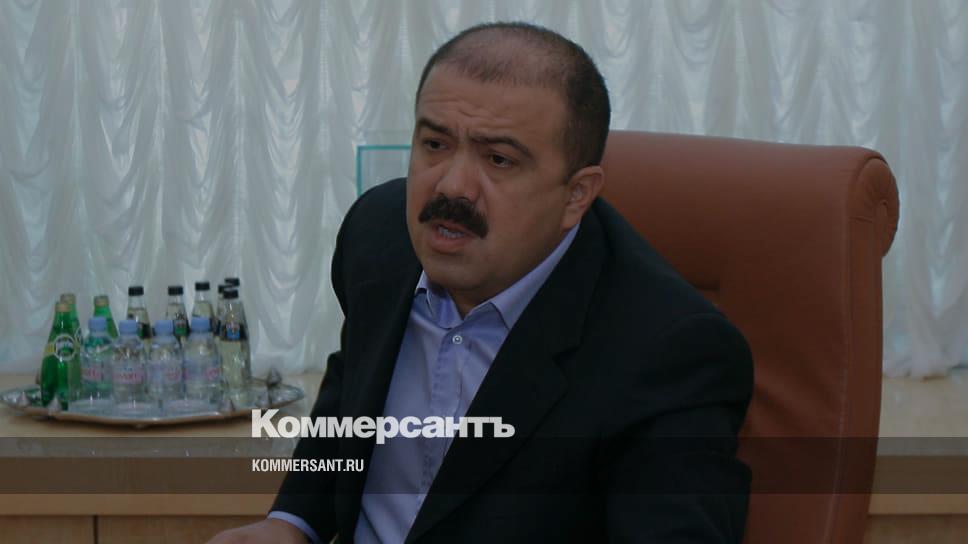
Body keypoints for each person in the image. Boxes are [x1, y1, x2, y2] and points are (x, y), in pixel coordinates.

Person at [210, 21, 753, 544]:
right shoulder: (378, 236)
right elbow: (353, 389)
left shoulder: (670, 351)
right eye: (435, 144)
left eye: (498, 159)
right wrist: (292, 522)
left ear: (576, 196)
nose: (451, 186)